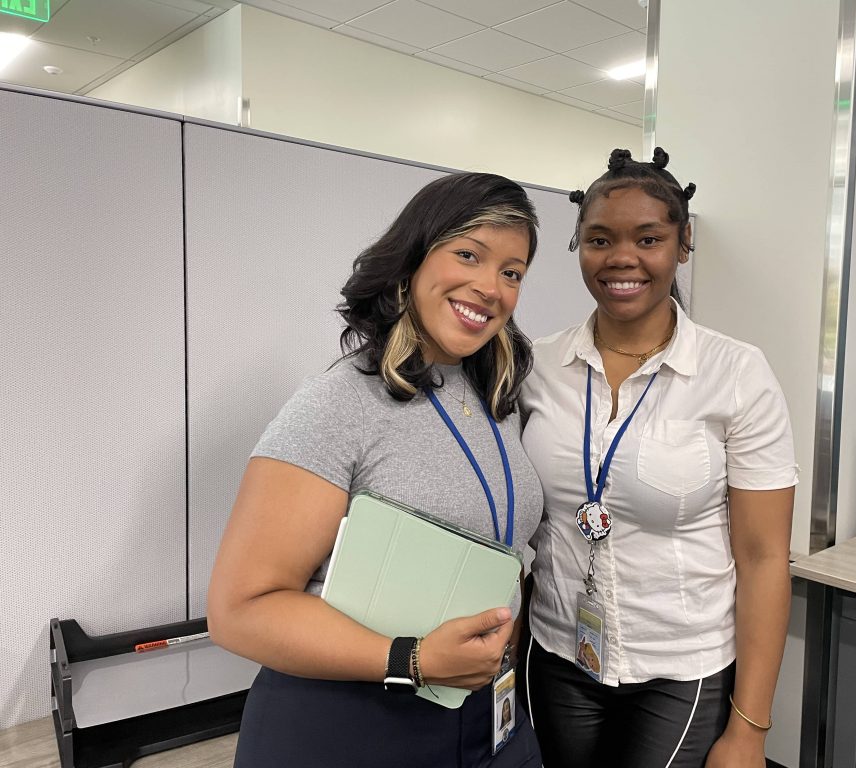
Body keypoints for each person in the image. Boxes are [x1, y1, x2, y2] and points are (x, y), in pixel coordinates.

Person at [207, 172, 545, 768]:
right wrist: (411, 659)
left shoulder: (494, 399)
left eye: (512, 272)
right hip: (353, 725)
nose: (490, 287)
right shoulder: (339, 403)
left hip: (484, 715)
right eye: (469, 254)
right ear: (412, 260)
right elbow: (240, 610)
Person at [521, 148, 797, 768]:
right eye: (599, 239)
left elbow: (762, 559)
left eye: (648, 238)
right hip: (558, 651)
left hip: (683, 667)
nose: (622, 258)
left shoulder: (736, 373)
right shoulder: (537, 368)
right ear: (578, 246)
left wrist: (750, 730)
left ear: (683, 243)